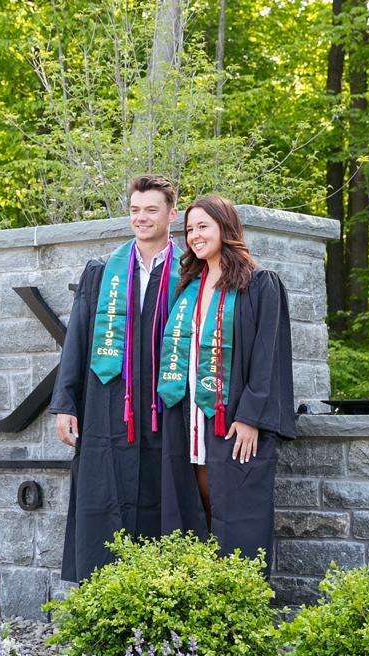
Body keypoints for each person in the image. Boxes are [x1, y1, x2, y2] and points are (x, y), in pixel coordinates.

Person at [50, 175, 183, 582]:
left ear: (171, 214)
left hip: (169, 408)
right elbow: (78, 341)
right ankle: (106, 597)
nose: (141, 218)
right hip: (110, 407)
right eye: (135, 210)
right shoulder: (106, 273)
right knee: (106, 493)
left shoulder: (189, 272)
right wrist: (65, 404)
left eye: (151, 210)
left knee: (166, 496)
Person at [156, 195, 296, 566]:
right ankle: (197, 591)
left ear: (226, 227)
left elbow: (268, 357)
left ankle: (238, 594)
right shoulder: (188, 288)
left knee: (236, 503)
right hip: (190, 416)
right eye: (188, 229)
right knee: (195, 501)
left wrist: (252, 416)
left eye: (203, 226)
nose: (194, 236)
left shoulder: (259, 284)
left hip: (232, 415)